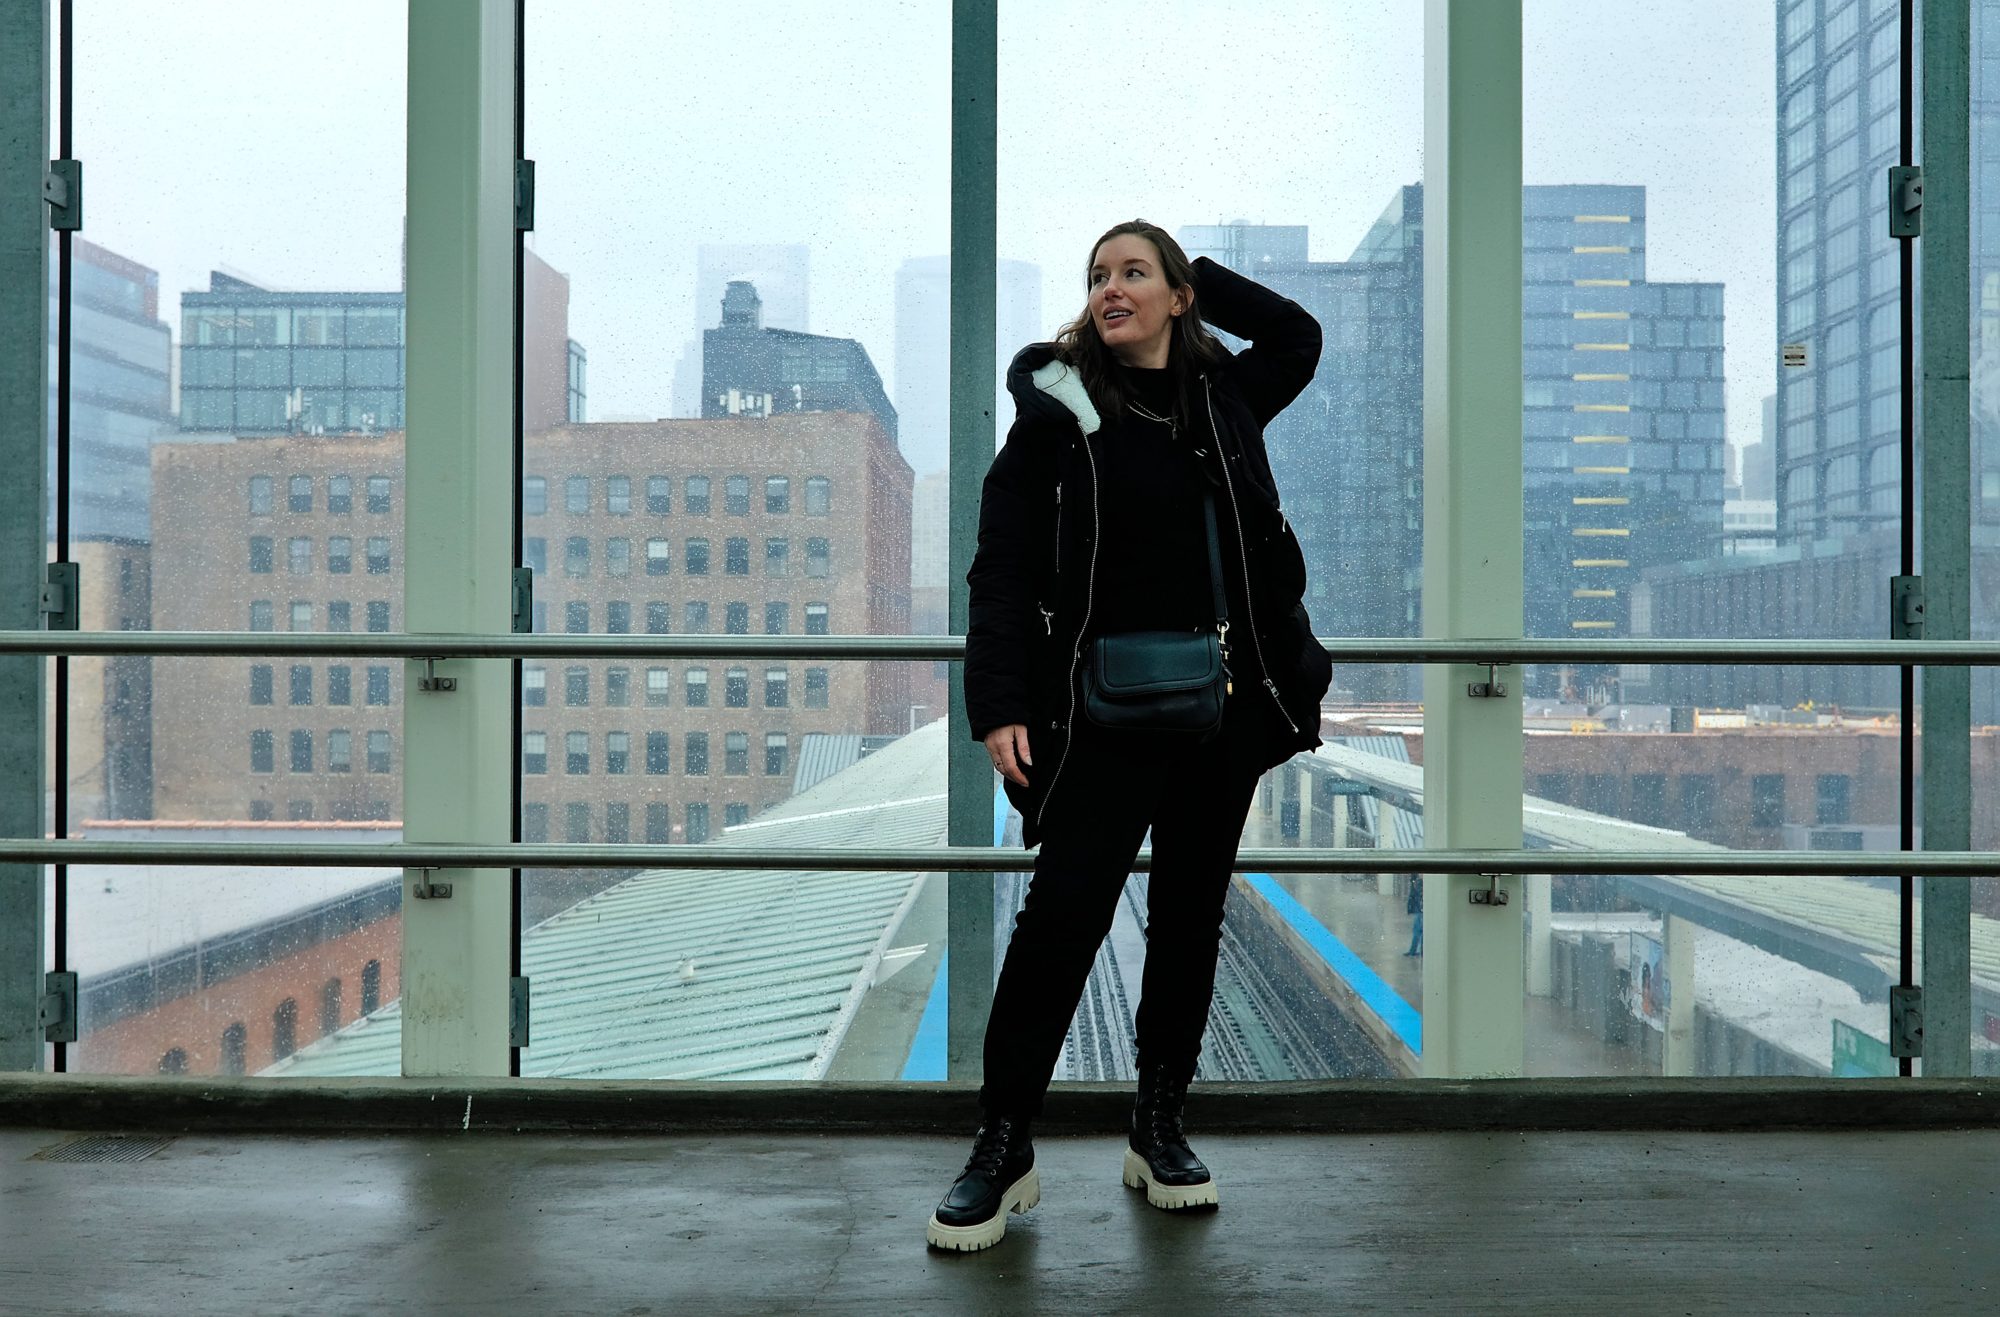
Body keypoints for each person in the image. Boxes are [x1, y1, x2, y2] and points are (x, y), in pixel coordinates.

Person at [926, 220, 1330, 1252]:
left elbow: (1294, 333)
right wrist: (998, 701)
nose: (1111, 288)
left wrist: (1198, 267)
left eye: (1134, 273)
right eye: (1098, 275)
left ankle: (1158, 1127)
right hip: (1095, 712)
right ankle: (1003, 1142)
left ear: (1175, 295)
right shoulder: (1057, 413)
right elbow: (1002, 564)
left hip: (1223, 709)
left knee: (1190, 916)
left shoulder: (1223, 400)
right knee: (1061, 919)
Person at [1405, 875, 1424, 957]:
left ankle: (1415, 951)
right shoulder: (1417, 881)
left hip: (1420, 910)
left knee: (1418, 931)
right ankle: (1414, 951)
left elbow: (1416, 896)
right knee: (1418, 931)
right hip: (1419, 909)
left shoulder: (1419, 883)